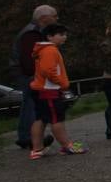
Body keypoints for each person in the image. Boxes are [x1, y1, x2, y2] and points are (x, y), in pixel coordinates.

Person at [28, 23, 86, 159]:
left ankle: (36, 149)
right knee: (56, 119)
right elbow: (48, 70)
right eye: (61, 35)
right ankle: (67, 146)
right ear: (49, 36)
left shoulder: (43, 49)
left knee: (40, 119)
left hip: (39, 89)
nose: (64, 37)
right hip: (49, 91)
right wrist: (63, 83)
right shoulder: (50, 50)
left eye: (65, 34)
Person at [9, 4, 57, 150]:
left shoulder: (33, 31)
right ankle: (30, 137)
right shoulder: (31, 33)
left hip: (25, 72)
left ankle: (25, 136)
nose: (56, 18)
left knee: (28, 104)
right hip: (29, 74)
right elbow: (29, 59)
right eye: (54, 16)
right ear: (43, 18)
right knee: (31, 104)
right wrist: (38, 75)